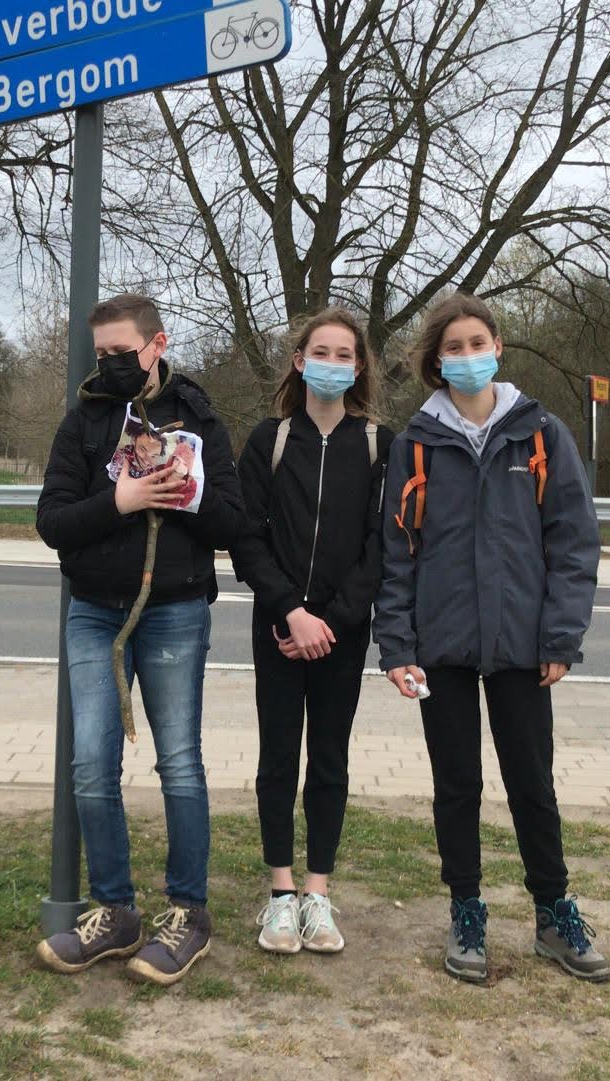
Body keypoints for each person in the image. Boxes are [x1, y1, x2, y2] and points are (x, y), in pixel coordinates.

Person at [373, 292, 610, 985]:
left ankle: (553, 912)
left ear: (498, 347)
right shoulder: (416, 443)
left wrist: (561, 636)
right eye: (454, 347)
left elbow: (573, 541)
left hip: (522, 643)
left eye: (478, 343)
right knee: (457, 784)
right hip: (441, 643)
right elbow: (396, 554)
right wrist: (397, 646)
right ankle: (467, 910)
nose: (468, 355)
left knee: (532, 781)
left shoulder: (541, 434)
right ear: (436, 359)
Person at [33, 293, 247, 986]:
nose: (111, 365)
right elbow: (52, 522)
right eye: (101, 355)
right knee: (91, 765)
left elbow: (233, 522)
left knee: (179, 762)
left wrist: (189, 494)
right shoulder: (86, 420)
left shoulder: (200, 416)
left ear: (158, 344)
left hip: (175, 610)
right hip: (95, 613)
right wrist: (119, 502)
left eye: (123, 352)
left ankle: (188, 912)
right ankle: (116, 911)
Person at [230, 308, 392, 956]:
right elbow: (246, 538)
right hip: (278, 628)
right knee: (277, 757)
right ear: (299, 361)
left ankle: (318, 894)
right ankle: (280, 893)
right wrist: (291, 612)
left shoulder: (380, 444)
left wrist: (334, 619)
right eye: (319, 352)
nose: (331, 363)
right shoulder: (267, 440)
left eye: (343, 354)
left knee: (329, 759)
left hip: (342, 635)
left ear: (359, 366)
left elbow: (382, 546)